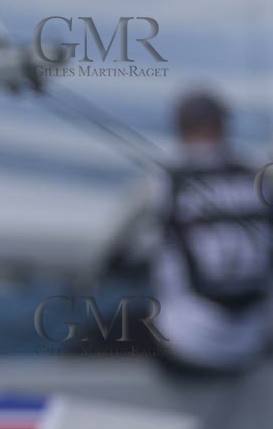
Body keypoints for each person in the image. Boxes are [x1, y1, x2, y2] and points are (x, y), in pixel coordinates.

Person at [103, 89, 273, 375]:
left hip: (190, 347)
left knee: (101, 333)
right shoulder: (260, 180)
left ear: (179, 127)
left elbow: (112, 252)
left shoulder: (162, 183)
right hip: (255, 341)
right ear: (223, 125)